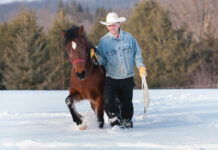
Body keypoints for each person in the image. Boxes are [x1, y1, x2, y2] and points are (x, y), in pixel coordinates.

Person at [90, 12, 147, 128]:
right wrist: (95, 56)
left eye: (114, 25)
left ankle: (126, 120)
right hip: (111, 78)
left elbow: (137, 55)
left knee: (127, 103)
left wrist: (141, 67)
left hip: (127, 78)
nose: (112, 28)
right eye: (109, 26)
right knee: (107, 100)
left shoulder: (129, 38)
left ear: (119, 24)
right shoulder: (103, 41)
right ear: (107, 26)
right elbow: (102, 61)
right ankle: (114, 119)